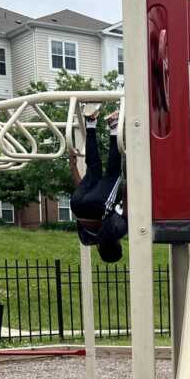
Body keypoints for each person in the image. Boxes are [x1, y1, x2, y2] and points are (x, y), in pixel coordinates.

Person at [69, 105, 127, 263]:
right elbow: (83, 201)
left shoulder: (116, 232)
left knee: (114, 174)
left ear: (117, 245)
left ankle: (114, 125)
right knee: (93, 167)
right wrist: (73, 167)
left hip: (98, 207)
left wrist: (129, 185)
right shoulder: (86, 239)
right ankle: (91, 121)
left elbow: (125, 210)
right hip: (76, 205)